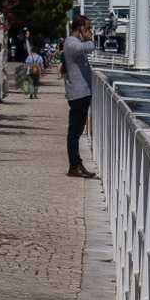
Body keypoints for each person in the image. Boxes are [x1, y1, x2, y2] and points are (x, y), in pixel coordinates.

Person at [62, 15, 96, 178]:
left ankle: (77, 163)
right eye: (87, 28)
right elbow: (89, 47)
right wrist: (89, 39)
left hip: (82, 92)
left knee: (77, 130)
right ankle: (74, 165)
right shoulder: (71, 43)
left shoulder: (75, 43)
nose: (89, 31)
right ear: (81, 28)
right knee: (74, 131)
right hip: (78, 93)